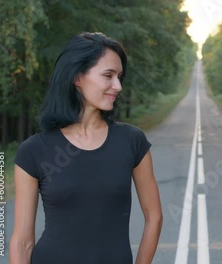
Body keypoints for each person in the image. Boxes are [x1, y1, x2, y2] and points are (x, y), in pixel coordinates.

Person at [9, 32, 163, 264]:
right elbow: (22, 242)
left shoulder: (132, 141)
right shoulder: (33, 151)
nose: (118, 86)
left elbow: (154, 217)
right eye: (108, 75)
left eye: (120, 76)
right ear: (77, 77)